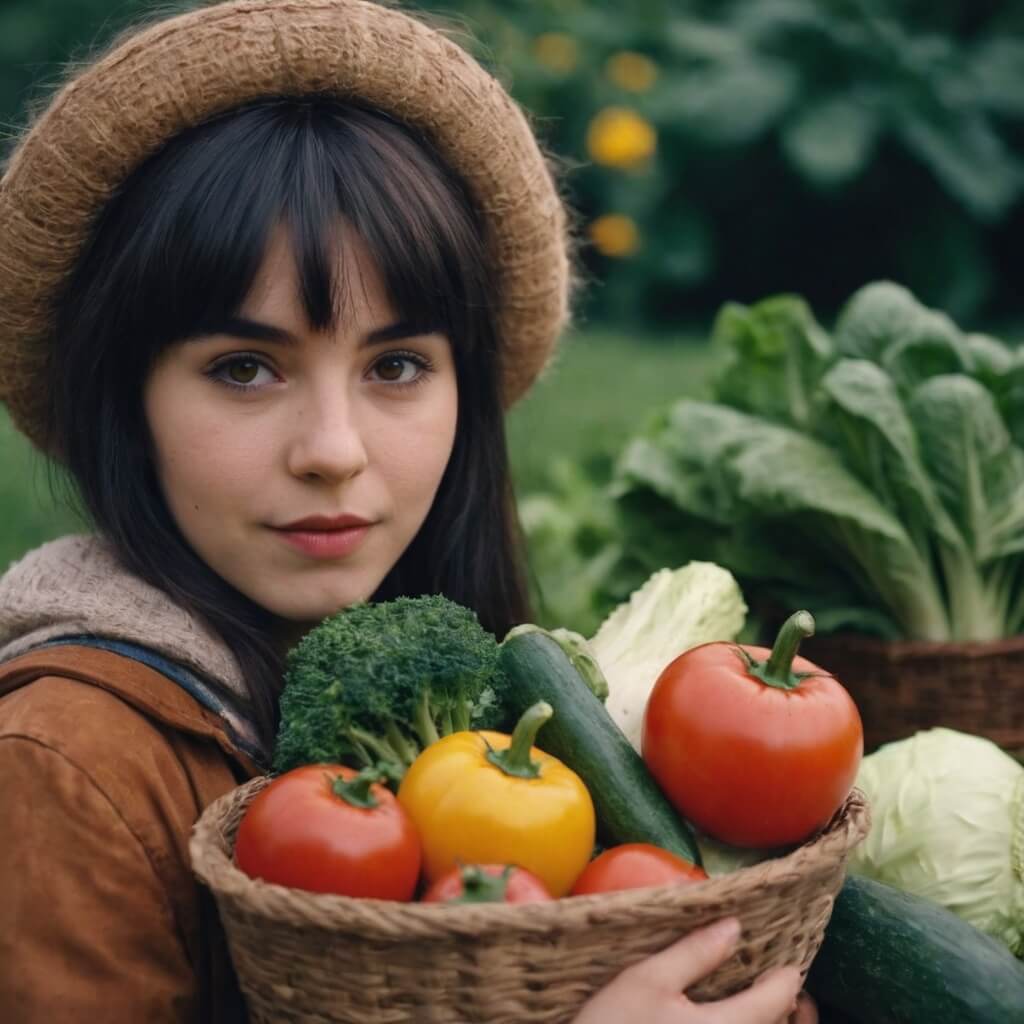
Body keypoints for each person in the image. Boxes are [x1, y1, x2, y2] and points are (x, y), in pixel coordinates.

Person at [0, 1, 817, 1021]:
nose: (334, 451)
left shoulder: (489, 720)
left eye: (395, 365)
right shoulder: (66, 765)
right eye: (244, 368)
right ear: (127, 399)